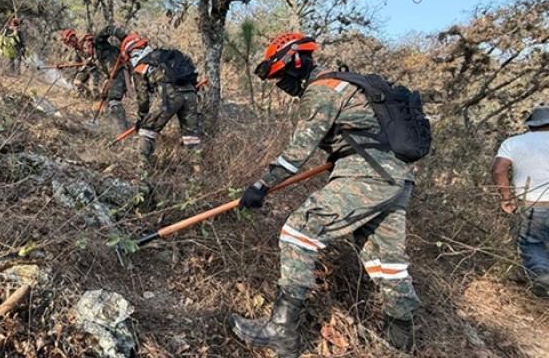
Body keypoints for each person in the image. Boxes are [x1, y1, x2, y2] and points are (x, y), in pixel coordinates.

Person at [230, 33, 422, 356]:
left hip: (367, 174)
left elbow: (297, 151)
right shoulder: (347, 86)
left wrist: (261, 185)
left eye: (279, 76)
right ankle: (401, 344)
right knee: (387, 263)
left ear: (294, 64)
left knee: (298, 231)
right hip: (396, 179)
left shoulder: (322, 89)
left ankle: (281, 330)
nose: (279, 84)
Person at [119, 33, 202, 171]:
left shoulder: (140, 65)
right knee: (191, 135)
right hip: (190, 93)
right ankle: (197, 172)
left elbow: (143, 98)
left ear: (130, 52)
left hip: (168, 95)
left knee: (147, 130)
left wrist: (142, 117)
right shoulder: (164, 54)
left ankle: (142, 169)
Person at [492, 104, 549, 297]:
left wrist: (507, 198)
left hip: (533, 202)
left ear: (531, 125)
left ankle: (542, 276)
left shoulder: (513, 143)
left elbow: (499, 170)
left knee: (532, 242)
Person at [93, 26, 134, 131]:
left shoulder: (99, 44)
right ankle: (110, 125)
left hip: (121, 71)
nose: (86, 50)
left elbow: (107, 29)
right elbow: (108, 71)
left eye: (87, 45)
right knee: (106, 98)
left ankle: (123, 130)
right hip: (115, 75)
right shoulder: (96, 58)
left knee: (114, 99)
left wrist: (123, 37)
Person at [59, 30, 99, 99]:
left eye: (69, 41)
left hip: (96, 67)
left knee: (94, 88)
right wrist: (64, 66)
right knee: (77, 83)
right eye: (68, 42)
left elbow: (96, 53)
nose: (69, 44)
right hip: (86, 68)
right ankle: (88, 96)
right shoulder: (76, 49)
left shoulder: (86, 41)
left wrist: (91, 59)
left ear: (73, 37)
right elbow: (76, 62)